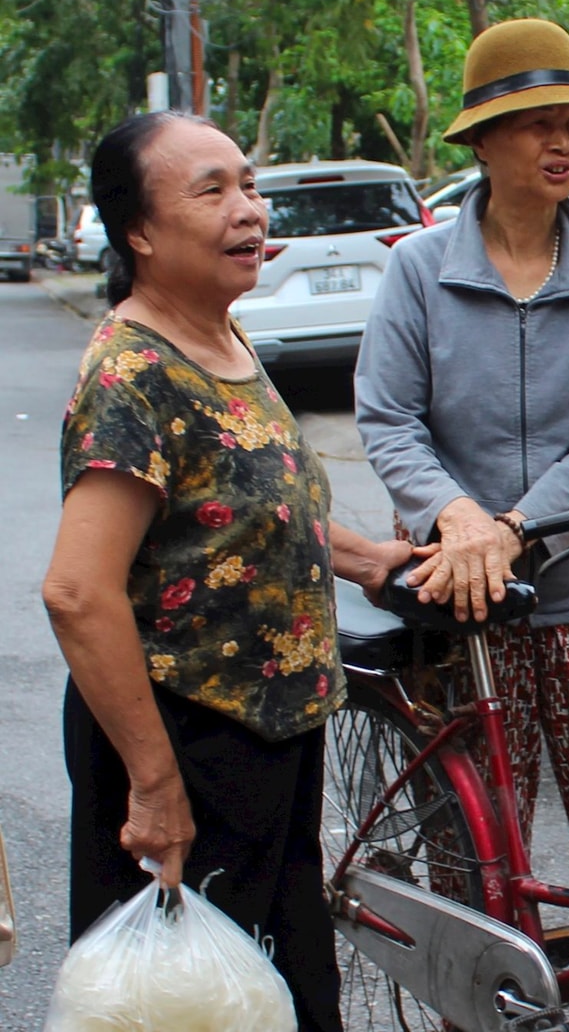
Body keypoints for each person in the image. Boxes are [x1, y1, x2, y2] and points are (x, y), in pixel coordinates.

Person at [41, 112, 413, 1032]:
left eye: (247, 184)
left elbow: (246, 517)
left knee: (275, 995)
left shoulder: (226, 342)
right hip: (188, 742)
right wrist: (155, 786)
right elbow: (79, 593)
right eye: (211, 191)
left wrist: (371, 563)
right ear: (139, 232)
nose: (248, 209)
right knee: (193, 1005)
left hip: (271, 741)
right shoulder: (135, 371)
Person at [354, 19, 569, 1031]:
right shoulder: (419, 272)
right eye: (536, 123)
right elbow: (388, 415)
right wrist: (456, 515)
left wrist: (515, 526)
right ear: (483, 142)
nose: (561, 141)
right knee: (477, 875)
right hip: (465, 613)